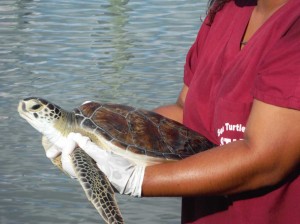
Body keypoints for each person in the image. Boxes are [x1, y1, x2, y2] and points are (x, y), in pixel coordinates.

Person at [47, 0, 300, 223]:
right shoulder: (227, 11)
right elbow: (185, 112)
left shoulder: (293, 27)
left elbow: (267, 159)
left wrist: (138, 179)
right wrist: (102, 136)